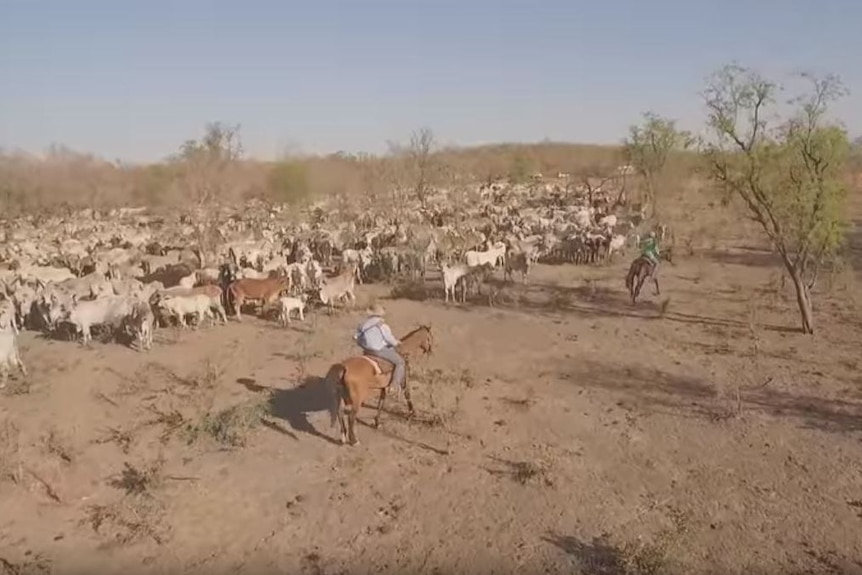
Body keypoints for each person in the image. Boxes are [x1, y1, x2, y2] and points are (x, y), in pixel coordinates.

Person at [354, 303, 406, 393]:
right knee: (400, 362)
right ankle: (394, 386)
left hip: (367, 350)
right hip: (378, 350)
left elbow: (355, 337)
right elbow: (389, 339)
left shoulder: (363, 324)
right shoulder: (382, 325)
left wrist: (363, 344)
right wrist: (396, 343)